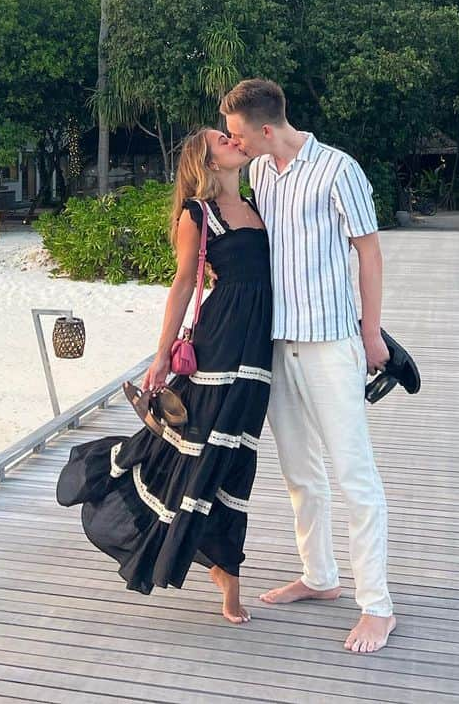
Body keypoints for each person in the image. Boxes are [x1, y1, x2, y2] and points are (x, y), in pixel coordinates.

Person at [56, 128, 272, 623]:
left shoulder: (262, 207)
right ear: (208, 161)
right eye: (223, 139)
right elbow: (180, 286)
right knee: (198, 454)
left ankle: (221, 566)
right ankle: (224, 576)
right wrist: (159, 357)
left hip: (259, 354)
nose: (234, 140)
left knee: (237, 461)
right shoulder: (197, 215)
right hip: (217, 348)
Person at [221, 77, 397, 655]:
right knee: (299, 471)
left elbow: (368, 252)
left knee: (354, 475)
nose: (233, 141)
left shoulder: (338, 170)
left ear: (265, 129)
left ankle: (377, 606)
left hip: (331, 343)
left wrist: (372, 334)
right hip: (277, 343)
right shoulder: (258, 174)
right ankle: (319, 577)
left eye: (237, 133)